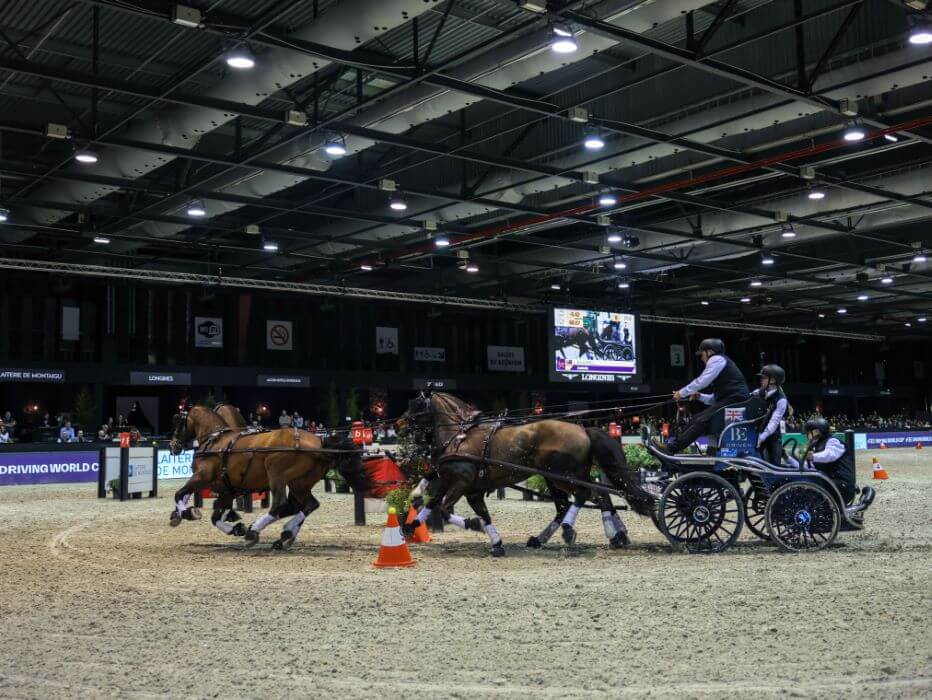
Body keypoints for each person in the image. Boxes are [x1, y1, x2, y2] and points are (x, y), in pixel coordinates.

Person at [653, 338, 749, 454]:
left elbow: (702, 381)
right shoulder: (721, 363)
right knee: (697, 418)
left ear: (710, 352)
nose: (701, 357)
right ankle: (676, 446)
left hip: (737, 400)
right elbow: (716, 399)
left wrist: (681, 393)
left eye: (702, 354)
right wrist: (700, 396)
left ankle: (671, 448)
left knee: (702, 420)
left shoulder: (716, 359)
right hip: (732, 399)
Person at [801, 416, 856, 504]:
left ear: (816, 432)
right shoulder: (818, 447)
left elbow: (830, 455)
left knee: (811, 487)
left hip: (842, 485)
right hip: (831, 483)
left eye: (808, 433)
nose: (807, 436)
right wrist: (788, 459)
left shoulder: (833, 441)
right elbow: (807, 466)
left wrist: (812, 456)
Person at [750, 364, 789, 465]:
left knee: (773, 464)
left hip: (772, 436)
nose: (761, 380)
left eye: (764, 378)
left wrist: (761, 437)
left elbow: (773, 423)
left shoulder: (781, 400)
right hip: (756, 433)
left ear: (772, 380)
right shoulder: (757, 392)